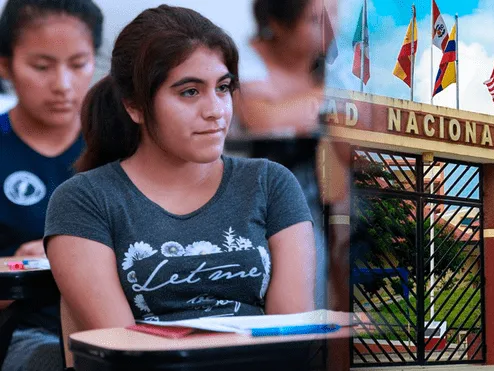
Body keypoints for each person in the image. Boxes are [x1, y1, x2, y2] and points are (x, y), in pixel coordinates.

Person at [44, 4, 315, 335]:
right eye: (190, 92)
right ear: (135, 105)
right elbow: (122, 350)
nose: (215, 111)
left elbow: (291, 337)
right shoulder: (85, 200)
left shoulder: (272, 184)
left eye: (223, 87)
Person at [0, 0, 103, 370]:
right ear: (5, 64)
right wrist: (16, 266)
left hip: (126, 324)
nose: (62, 84)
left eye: (78, 65)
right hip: (28, 330)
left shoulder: (123, 146)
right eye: (41, 66)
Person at [233, 0, 333, 309]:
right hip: (253, 197)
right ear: (277, 24)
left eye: (333, 16)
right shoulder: (243, 59)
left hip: (328, 192)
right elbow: (263, 119)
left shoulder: (333, 65)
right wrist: (334, 95)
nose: (330, 29)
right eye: (315, 20)